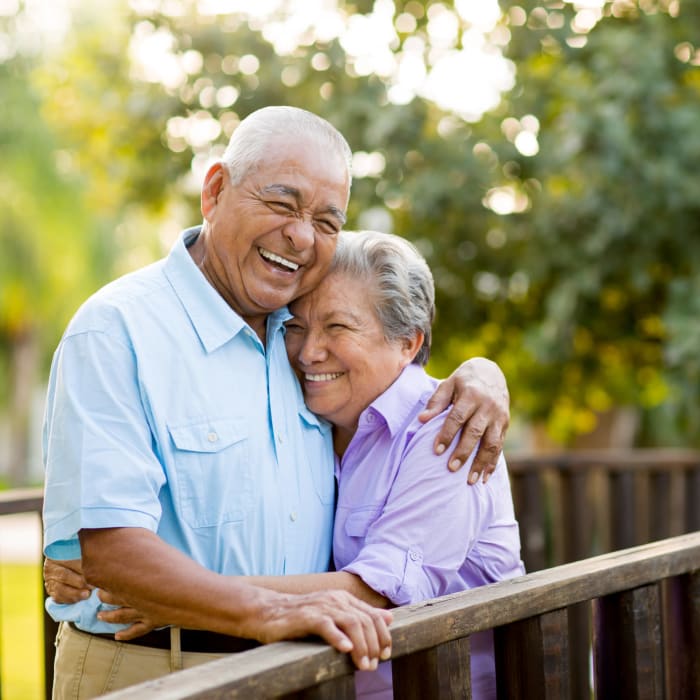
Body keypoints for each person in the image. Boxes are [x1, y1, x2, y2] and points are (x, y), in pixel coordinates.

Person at [42, 106, 511, 697]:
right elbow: (113, 556)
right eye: (283, 204)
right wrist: (257, 609)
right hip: (157, 672)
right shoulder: (117, 331)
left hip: (302, 672)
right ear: (214, 191)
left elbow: (385, 364)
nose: (301, 235)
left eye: (325, 220)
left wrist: (482, 375)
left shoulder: (295, 340)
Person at [87, 230, 524, 698]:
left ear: (408, 343)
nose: (309, 351)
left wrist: (181, 597)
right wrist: (99, 556)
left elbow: (373, 591)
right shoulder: (311, 421)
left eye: (338, 327)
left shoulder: (449, 430)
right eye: (296, 328)